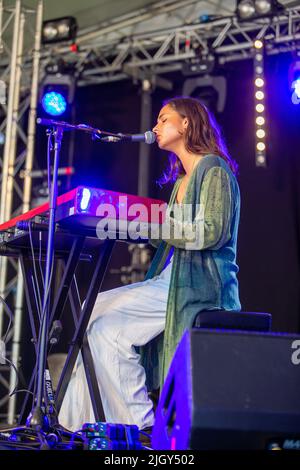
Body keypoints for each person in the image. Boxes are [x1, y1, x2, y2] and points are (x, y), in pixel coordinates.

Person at [58, 96, 241, 433]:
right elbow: (166, 236)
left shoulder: (214, 169)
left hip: (198, 284)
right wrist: (128, 220)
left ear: (186, 123)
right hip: (171, 280)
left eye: (162, 118)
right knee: (96, 317)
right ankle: (86, 424)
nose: (155, 127)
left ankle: (141, 426)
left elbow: (212, 231)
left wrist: (150, 223)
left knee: (96, 316)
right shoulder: (181, 183)